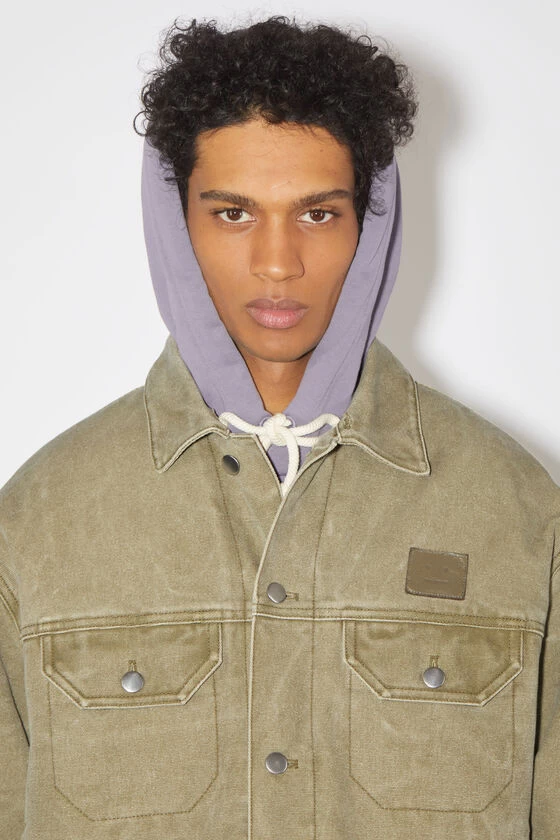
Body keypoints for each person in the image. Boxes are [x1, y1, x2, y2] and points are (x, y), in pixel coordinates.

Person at [0, 14, 558, 839]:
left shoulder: (518, 511)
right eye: (233, 213)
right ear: (175, 224)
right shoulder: (39, 521)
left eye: (319, 214)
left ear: (371, 222)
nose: (276, 262)